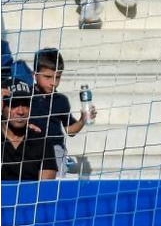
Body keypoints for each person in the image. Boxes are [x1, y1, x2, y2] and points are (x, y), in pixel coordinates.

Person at [31, 48, 96, 178]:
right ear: (34, 75)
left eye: (57, 78)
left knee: (53, 188)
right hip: (30, 148)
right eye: (48, 77)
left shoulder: (61, 100)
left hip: (55, 149)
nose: (53, 83)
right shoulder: (26, 97)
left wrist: (82, 119)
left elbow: (70, 131)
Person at [1, 78, 58, 181]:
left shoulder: (41, 141)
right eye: (14, 104)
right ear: (2, 107)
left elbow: (45, 188)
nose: (21, 111)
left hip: (30, 197)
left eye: (26, 104)